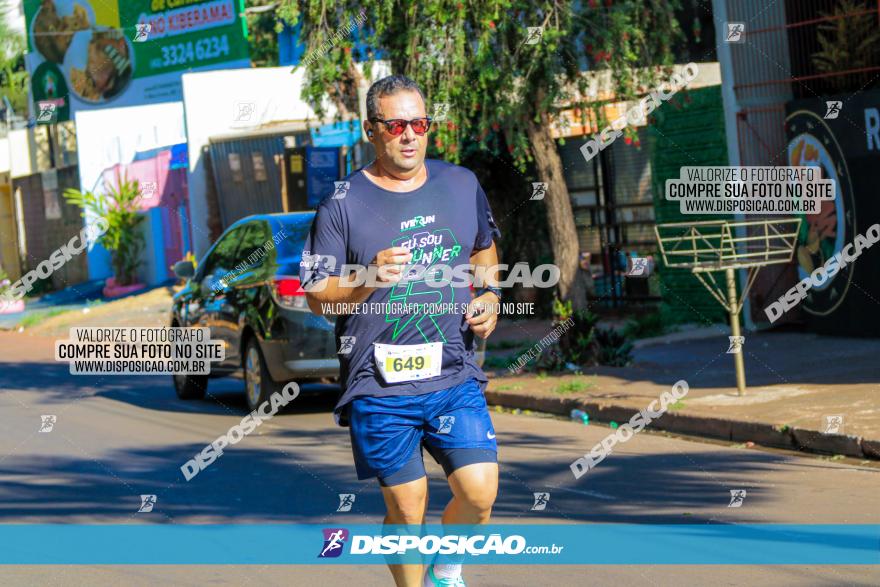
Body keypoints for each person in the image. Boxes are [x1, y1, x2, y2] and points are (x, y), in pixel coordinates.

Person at [300, 74, 502, 587]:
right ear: (372, 130)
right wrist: (367, 278)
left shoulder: (460, 184)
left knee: (479, 494)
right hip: (378, 382)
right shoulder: (341, 204)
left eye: (419, 123)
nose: (410, 134)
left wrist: (490, 295)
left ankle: (447, 569)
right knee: (408, 508)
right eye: (395, 125)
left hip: (452, 372)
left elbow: (483, 250)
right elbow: (317, 292)